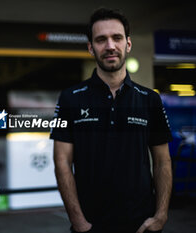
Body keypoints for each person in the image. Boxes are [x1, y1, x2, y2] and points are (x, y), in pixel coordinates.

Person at [51, 8, 172, 233]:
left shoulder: (150, 99)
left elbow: (163, 161)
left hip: (142, 225)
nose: (109, 46)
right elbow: (62, 162)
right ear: (90, 47)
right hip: (91, 226)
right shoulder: (70, 98)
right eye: (100, 40)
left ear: (128, 44)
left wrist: (161, 216)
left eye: (116, 38)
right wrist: (79, 222)